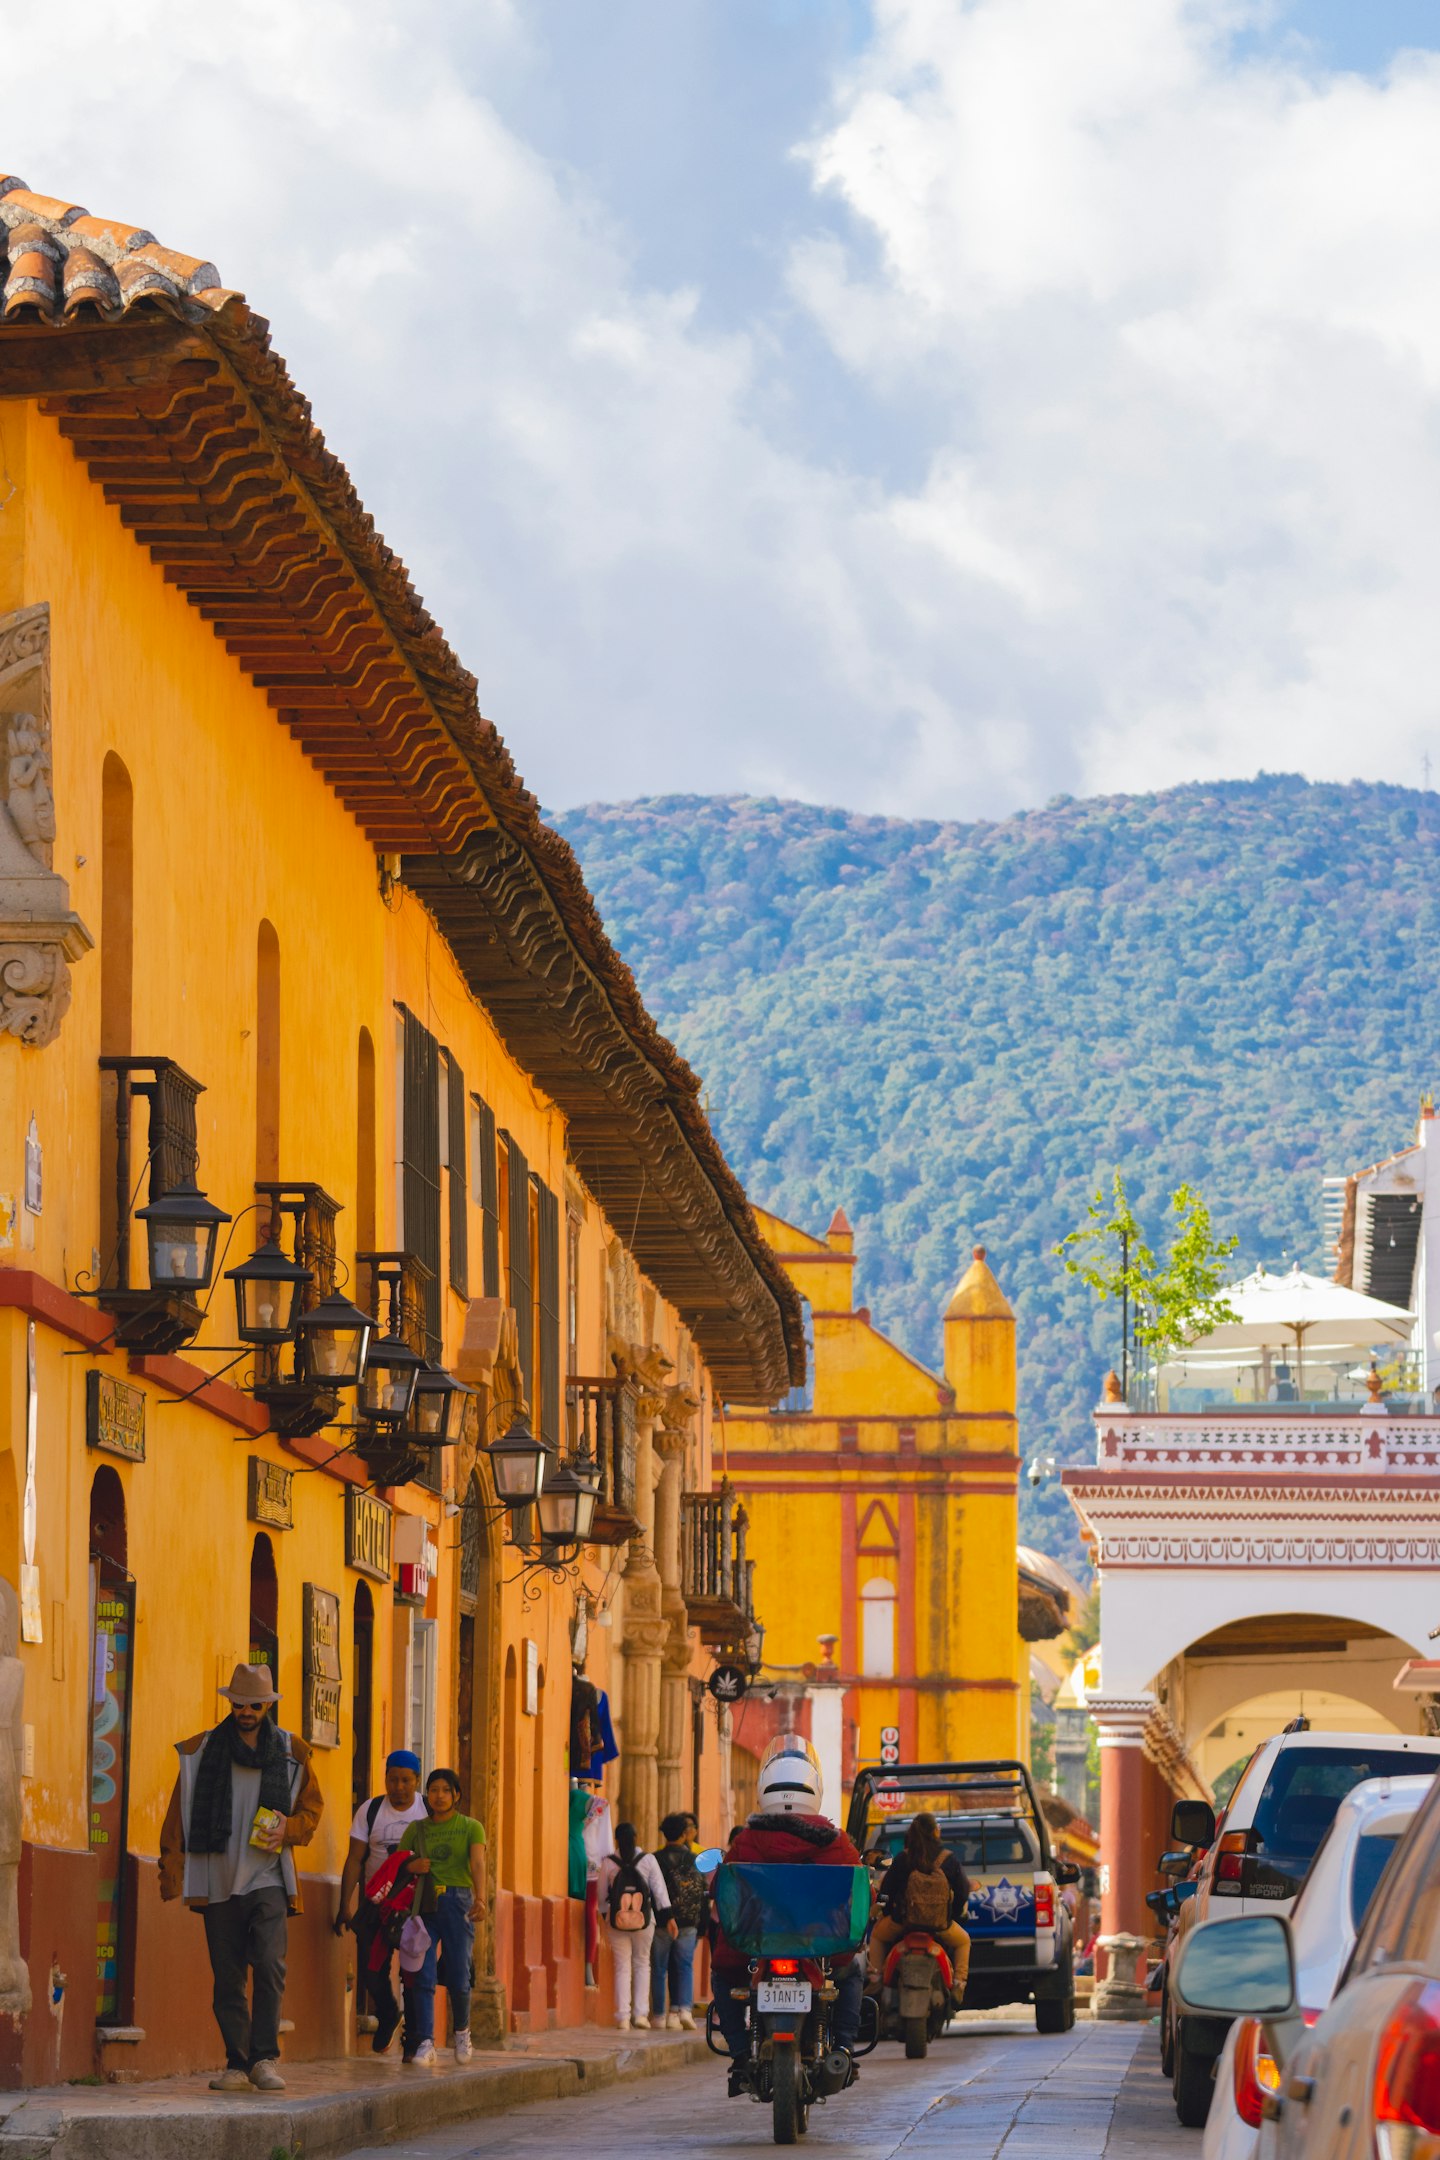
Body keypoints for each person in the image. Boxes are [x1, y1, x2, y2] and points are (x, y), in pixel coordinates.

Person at [159, 1662, 323, 2094]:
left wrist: (290, 1829)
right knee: (227, 1977)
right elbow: (178, 1811)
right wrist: (172, 1866)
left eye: (254, 1705)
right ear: (230, 1704)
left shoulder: (291, 1751)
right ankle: (237, 2062)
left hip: (268, 1877)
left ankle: (264, 2058)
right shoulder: (202, 1751)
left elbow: (311, 1809)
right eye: (239, 1704)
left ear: (267, 1706)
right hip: (216, 1878)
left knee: (268, 1964)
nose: (245, 1712)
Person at [712, 1737, 866, 2097]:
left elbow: (722, 1887)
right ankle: (844, 2048)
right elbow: (860, 1890)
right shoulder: (836, 1842)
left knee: (722, 1976)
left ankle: (739, 2053)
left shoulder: (747, 1841)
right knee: (854, 1972)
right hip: (820, 1942)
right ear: (815, 1791)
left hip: (759, 1942)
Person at [335, 1750, 429, 2053]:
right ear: (385, 1778)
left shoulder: (427, 1810)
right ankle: (389, 2014)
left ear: (417, 1780)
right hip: (377, 1905)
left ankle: (414, 2039)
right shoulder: (371, 1810)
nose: (399, 1787)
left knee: (413, 1974)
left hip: (414, 1908)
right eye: (393, 1779)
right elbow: (355, 1859)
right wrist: (344, 1904)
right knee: (371, 1972)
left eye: (406, 1780)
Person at [398, 1769, 487, 2066]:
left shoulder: (471, 1827)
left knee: (459, 1976)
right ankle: (426, 2041)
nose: (439, 1796)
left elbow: (477, 1863)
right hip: (424, 1905)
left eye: (446, 1790)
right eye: (433, 1790)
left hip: (458, 1903)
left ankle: (462, 2032)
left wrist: (481, 1898)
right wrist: (412, 1866)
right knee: (423, 1974)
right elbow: (398, 1864)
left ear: (456, 1795)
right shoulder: (416, 1830)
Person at [867, 1812, 971, 1999]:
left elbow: (886, 1892)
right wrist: (951, 1916)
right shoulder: (949, 1859)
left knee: (876, 1936)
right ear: (936, 1832)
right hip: (940, 1925)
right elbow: (963, 1891)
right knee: (964, 1941)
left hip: (904, 1923)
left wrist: (888, 1913)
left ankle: (875, 1979)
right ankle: (959, 1983)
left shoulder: (902, 1858)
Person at [597, 1822, 676, 2030]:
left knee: (622, 1966)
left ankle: (622, 2016)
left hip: (617, 1921)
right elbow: (660, 1891)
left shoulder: (608, 1863)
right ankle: (641, 2015)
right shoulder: (648, 1860)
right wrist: (669, 1917)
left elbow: (601, 1896)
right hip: (644, 1921)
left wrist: (607, 1918)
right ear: (635, 1838)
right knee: (642, 1964)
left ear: (616, 1840)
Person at [651, 1812, 706, 2029]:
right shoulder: (694, 1859)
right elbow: (702, 1892)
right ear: (684, 1834)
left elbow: (652, 1891)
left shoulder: (655, 1859)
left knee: (659, 1969)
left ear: (664, 1834)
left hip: (663, 1921)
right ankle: (683, 2010)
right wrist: (701, 1925)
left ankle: (659, 2015)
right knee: (684, 1966)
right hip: (688, 1921)